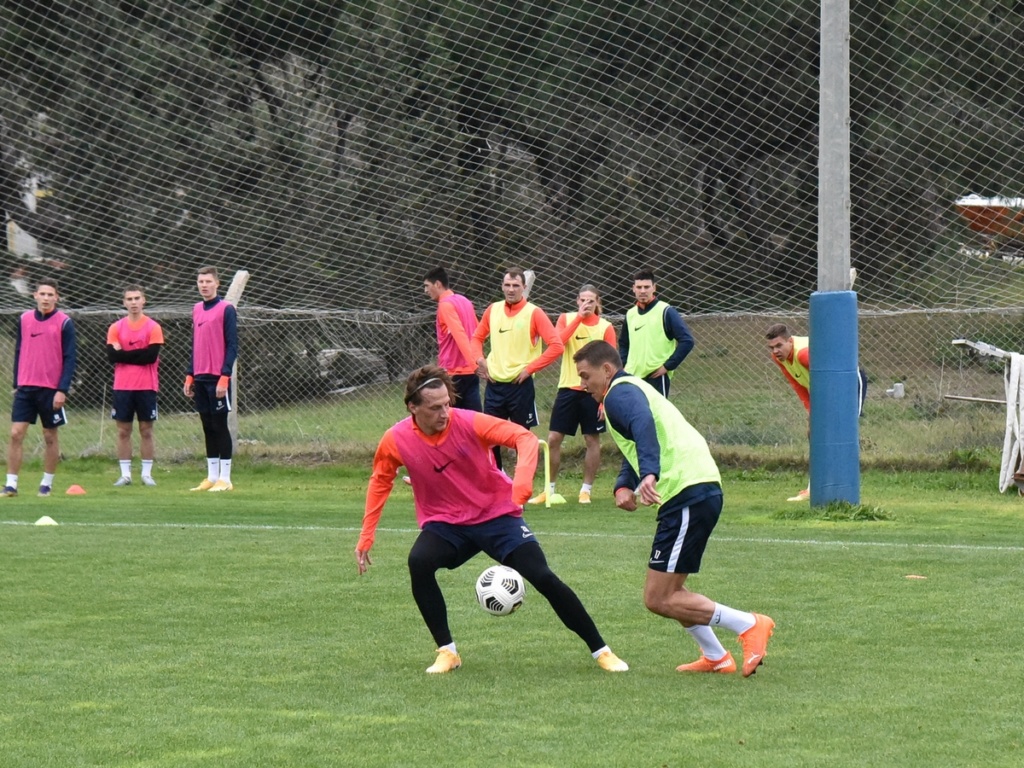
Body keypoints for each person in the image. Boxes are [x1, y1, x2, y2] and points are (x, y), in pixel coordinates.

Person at [354, 365, 629, 675]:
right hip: (448, 524)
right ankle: (447, 652)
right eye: (435, 407)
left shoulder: (470, 422)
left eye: (447, 403)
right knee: (419, 562)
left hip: (496, 515)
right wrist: (366, 535)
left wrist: (522, 482)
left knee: (543, 577)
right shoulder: (396, 439)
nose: (444, 412)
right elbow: (380, 480)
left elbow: (524, 438)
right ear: (412, 408)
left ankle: (602, 651)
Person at [573, 340, 774, 677]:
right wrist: (623, 484)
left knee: (658, 598)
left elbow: (643, 425)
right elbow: (638, 441)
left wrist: (649, 472)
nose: (582, 384)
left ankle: (749, 624)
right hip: (694, 488)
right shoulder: (627, 390)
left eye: (585, 376)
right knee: (671, 591)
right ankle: (716, 657)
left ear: (606, 370)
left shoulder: (619, 394)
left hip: (686, 490)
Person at [529, 284, 616, 506]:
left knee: (591, 439)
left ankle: (585, 490)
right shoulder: (566, 319)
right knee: (553, 439)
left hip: (594, 393)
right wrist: (578, 318)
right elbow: (557, 343)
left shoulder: (605, 327)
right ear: (577, 301)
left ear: (598, 302)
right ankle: (549, 489)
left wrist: (605, 399)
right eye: (583, 300)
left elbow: (613, 364)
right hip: (568, 388)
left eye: (591, 300)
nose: (587, 304)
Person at [470, 267, 563, 470]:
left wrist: (530, 369)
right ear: (502, 287)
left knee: (522, 438)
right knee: (490, 437)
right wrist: (480, 360)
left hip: (520, 386)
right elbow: (476, 338)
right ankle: (498, 478)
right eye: (507, 285)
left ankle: (522, 483)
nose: (511, 289)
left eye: (515, 285)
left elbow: (556, 346)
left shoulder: (534, 313)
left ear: (524, 287)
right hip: (494, 386)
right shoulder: (493, 310)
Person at [765, 323, 868, 501]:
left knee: (843, 432)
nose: (775, 351)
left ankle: (846, 489)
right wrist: (813, 413)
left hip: (848, 382)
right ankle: (814, 488)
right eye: (772, 347)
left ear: (790, 341)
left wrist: (834, 408)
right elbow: (798, 385)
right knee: (814, 433)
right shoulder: (779, 358)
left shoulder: (804, 354)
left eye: (779, 345)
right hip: (823, 390)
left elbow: (835, 374)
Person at [2, 278, 77, 498]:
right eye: (42, 294)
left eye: (50, 294)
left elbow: (70, 358)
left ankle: (46, 484)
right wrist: (17, 383)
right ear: (35, 295)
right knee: (16, 433)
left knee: (49, 436)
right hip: (25, 388)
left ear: (56, 297)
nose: (45, 298)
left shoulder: (64, 322)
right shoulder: (24, 319)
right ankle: (11, 485)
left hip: (51, 390)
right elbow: (19, 350)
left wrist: (62, 389)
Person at [183, 266, 238, 492]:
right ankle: (212, 477)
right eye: (201, 282)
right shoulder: (196, 309)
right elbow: (196, 344)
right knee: (207, 426)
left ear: (217, 283)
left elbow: (232, 345)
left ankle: (226, 479)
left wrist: (225, 376)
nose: (204, 285)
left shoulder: (226, 309)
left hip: (217, 376)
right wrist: (190, 374)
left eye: (208, 281)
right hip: (201, 376)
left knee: (219, 425)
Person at [106, 285, 164, 487]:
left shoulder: (153, 327)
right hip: (122, 387)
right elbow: (112, 356)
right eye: (129, 299)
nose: (133, 302)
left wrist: (123, 354)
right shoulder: (116, 328)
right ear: (124, 302)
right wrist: (137, 353)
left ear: (143, 300)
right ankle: (125, 475)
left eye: (137, 298)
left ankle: (146, 474)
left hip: (146, 386)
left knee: (146, 430)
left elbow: (150, 356)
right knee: (123, 431)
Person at [618, 268, 695, 398]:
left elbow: (687, 341)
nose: (643, 291)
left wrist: (667, 366)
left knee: (655, 412)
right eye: (639, 287)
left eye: (647, 287)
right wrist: (625, 365)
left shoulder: (666, 311)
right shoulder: (630, 314)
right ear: (633, 289)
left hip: (656, 377)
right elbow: (624, 343)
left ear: (654, 288)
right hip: (633, 377)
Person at [422, 266, 480, 412]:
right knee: (473, 418)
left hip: (454, 372)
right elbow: (478, 332)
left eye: (427, 286)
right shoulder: (465, 301)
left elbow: (460, 335)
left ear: (437, 284)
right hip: (471, 373)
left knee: (450, 419)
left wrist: (474, 364)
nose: (425, 290)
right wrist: (477, 361)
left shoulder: (445, 305)